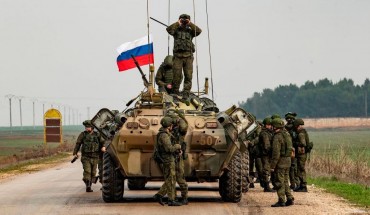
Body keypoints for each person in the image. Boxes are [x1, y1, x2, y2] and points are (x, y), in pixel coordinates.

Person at [166, 14, 202, 99]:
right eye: (183, 20)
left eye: (185, 20)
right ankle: (175, 93)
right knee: (176, 76)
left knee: (188, 76)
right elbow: (169, 30)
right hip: (178, 57)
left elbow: (199, 31)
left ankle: (186, 94)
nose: (184, 22)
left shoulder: (190, 32)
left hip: (188, 57)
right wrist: (178, 23)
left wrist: (190, 24)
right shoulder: (176, 30)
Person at [153, 117, 183, 206]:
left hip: (168, 159)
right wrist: (178, 146)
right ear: (169, 125)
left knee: (171, 179)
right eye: (171, 125)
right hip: (168, 160)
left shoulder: (165, 134)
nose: (172, 126)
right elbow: (169, 149)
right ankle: (160, 195)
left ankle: (171, 199)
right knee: (171, 179)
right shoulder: (164, 135)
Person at [73, 120, 106, 192]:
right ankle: (88, 186)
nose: (87, 128)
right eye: (86, 127)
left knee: (93, 173)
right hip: (86, 157)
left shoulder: (97, 135)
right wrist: (75, 152)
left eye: (88, 127)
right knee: (87, 171)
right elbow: (78, 143)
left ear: (92, 127)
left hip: (95, 157)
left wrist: (103, 147)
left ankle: (89, 184)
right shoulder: (83, 134)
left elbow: (103, 142)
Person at [270, 118, 294, 207]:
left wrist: (272, 166)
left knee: (279, 181)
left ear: (275, 127)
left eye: (273, 126)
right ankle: (290, 198)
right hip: (288, 161)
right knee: (285, 181)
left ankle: (281, 200)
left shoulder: (277, 137)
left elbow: (276, 153)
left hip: (280, 162)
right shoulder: (287, 134)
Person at [167, 111, 189, 205]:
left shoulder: (180, 130)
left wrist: (180, 117)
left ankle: (184, 197)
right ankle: (173, 197)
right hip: (170, 155)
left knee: (180, 178)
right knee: (171, 178)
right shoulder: (167, 130)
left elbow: (184, 127)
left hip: (178, 156)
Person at [292, 118, 309, 192]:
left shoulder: (301, 134)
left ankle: (303, 186)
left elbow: (303, 143)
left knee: (301, 170)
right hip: (301, 154)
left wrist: (295, 144)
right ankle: (301, 185)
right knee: (299, 170)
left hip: (301, 155)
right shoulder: (302, 132)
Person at [258, 117, 274, 192]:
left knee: (267, 169)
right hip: (265, 154)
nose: (270, 126)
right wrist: (271, 152)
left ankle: (266, 185)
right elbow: (266, 145)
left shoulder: (268, 132)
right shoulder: (264, 133)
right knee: (266, 170)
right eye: (268, 125)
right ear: (265, 125)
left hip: (266, 154)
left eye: (270, 125)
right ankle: (266, 186)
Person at [284, 112, 299, 190]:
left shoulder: (289, 127)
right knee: (292, 168)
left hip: (292, 149)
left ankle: (295, 184)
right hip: (292, 149)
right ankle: (294, 184)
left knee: (293, 168)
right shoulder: (293, 127)